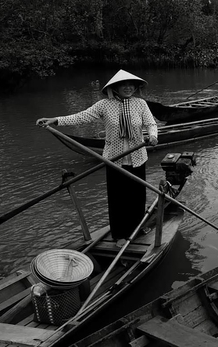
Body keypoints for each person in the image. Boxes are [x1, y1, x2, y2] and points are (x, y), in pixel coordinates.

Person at [36, 70, 158, 248]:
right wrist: (55, 120)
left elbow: (150, 123)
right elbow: (81, 116)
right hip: (114, 159)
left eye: (131, 84)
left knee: (137, 196)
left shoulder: (140, 104)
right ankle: (120, 234)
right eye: (124, 85)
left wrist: (153, 136)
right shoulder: (104, 105)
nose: (128, 88)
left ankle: (138, 227)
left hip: (138, 157)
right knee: (117, 198)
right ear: (114, 87)